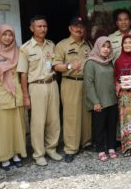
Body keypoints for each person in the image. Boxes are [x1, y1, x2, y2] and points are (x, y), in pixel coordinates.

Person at [17, 15, 62, 166]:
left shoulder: (51, 45)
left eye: (45, 26)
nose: (43, 29)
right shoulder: (25, 49)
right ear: (31, 28)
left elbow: (55, 64)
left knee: (54, 119)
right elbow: (23, 73)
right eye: (39, 26)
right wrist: (25, 96)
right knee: (37, 122)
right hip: (36, 87)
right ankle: (39, 153)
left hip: (52, 83)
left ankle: (51, 148)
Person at [0, 24, 27, 170]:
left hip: (16, 93)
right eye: (5, 34)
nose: (8, 38)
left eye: (10, 35)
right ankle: (4, 157)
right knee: (2, 128)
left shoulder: (18, 51)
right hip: (1, 93)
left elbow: (22, 73)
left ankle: (16, 154)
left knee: (17, 126)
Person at [53, 16, 92, 163]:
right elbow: (56, 66)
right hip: (70, 82)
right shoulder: (62, 45)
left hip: (86, 83)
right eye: (76, 25)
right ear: (70, 28)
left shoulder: (88, 44)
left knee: (86, 114)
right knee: (71, 116)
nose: (79, 28)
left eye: (81, 26)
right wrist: (69, 66)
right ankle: (70, 148)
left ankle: (86, 142)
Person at [83, 36, 118, 162]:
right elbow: (88, 84)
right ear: (98, 47)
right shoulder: (90, 62)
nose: (106, 49)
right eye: (103, 46)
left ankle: (111, 147)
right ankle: (100, 149)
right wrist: (95, 102)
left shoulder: (109, 61)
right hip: (99, 101)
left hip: (112, 99)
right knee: (99, 127)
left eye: (108, 47)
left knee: (111, 125)